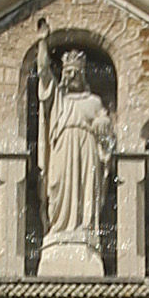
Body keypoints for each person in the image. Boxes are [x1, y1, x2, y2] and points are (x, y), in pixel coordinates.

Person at [39, 48, 112, 267]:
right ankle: (59, 228)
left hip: (87, 147)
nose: (72, 76)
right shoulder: (57, 99)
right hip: (62, 147)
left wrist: (102, 124)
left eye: (76, 72)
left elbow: (104, 125)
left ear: (83, 75)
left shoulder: (94, 101)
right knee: (58, 186)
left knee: (86, 187)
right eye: (68, 72)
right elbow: (43, 72)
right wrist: (43, 42)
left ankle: (85, 229)